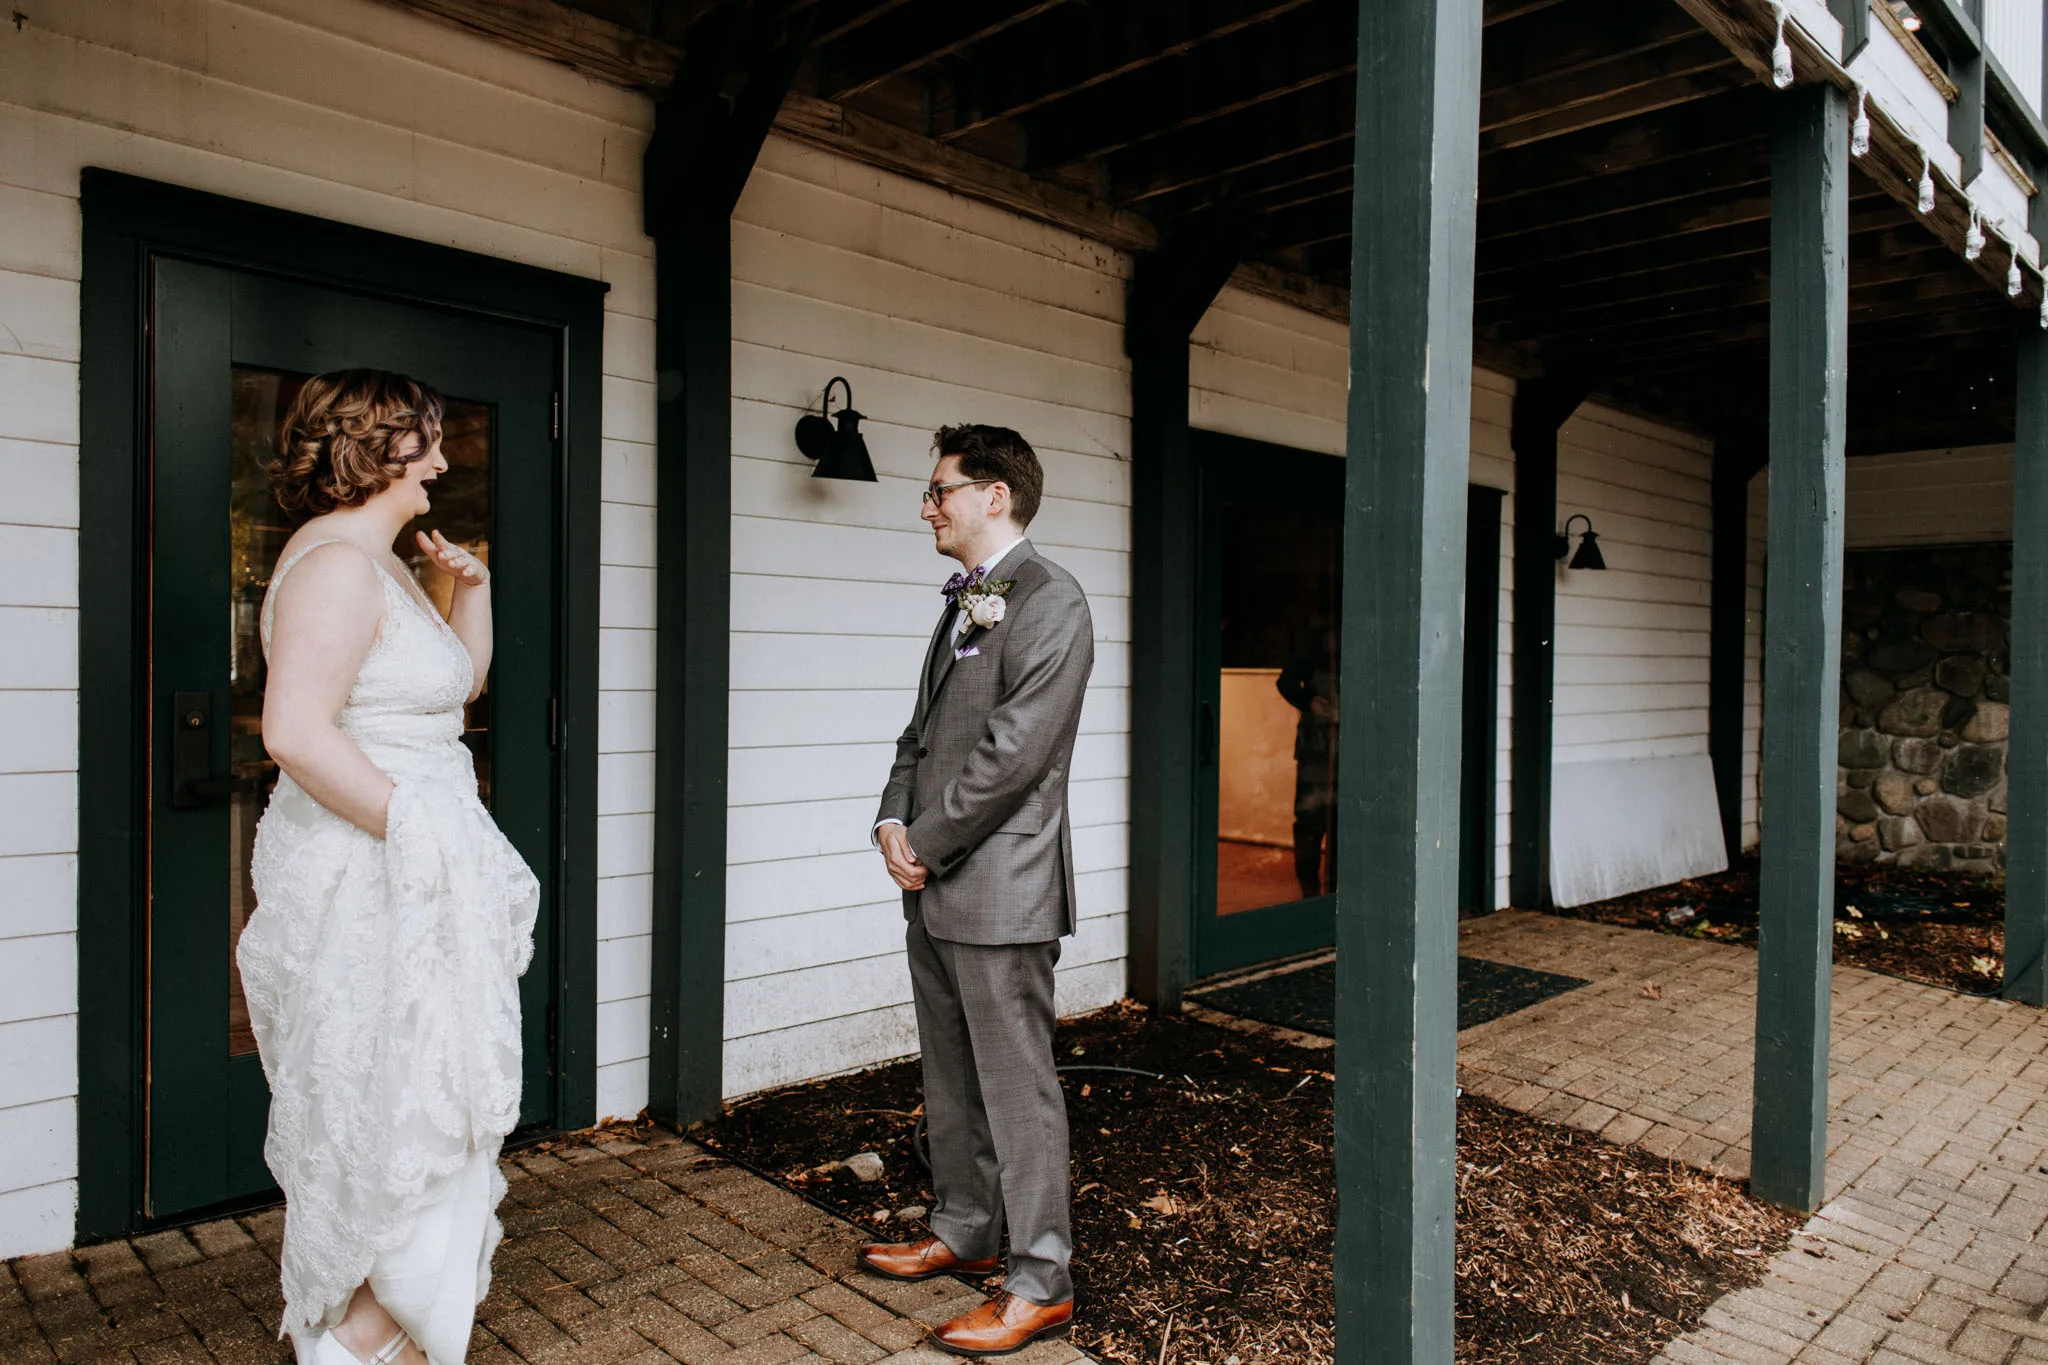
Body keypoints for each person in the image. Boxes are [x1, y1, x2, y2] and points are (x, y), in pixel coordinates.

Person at [236, 369, 538, 1365]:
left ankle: (395, 1329)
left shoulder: (383, 560)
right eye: (428, 439)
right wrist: (417, 833)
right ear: (381, 446)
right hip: (371, 875)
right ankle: (363, 1342)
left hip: (416, 863)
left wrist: (471, 588)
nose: (443, 459)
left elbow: (452, 687)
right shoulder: (333, 565)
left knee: (426, 1095)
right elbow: (293, 731)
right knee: (391, 1101)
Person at [865, 424, 1095, 1357]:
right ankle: (965, 1228)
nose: (927, 506)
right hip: (933, 882)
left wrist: (924, 841)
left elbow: (1013, 755)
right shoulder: (965, 603)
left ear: (994, 494)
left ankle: (1041, 1282)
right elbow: (920, 734)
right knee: (950, 1073)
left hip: (1001, 888)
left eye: (940, 489)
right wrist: (890, 819)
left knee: (1017, 1088)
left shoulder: (1051, 598)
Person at [1276, 625, 1340, 899]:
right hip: (1316, 750)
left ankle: (1328, 894)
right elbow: (1286, 683)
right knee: (1310, 821)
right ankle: (1311, 894)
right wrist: (1309, 702)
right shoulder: (1313, 648)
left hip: (1338, 751)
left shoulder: (1351, 645)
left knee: (1336, 823)